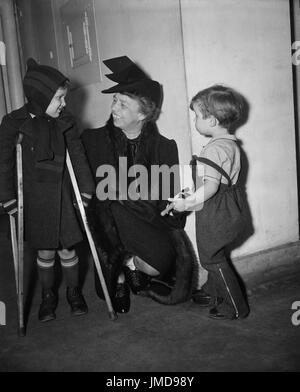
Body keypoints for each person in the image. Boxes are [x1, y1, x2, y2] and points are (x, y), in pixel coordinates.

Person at [82, 56, 197, 314]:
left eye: (123, 103)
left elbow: (169, 202)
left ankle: (131, 264)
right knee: (112, 209)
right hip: (110, 224)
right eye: (114, 100)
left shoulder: (164, 147)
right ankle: (119, 277)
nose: (114, 108)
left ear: (143, 113)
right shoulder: (92, 140)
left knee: (158, 266)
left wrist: (181, 202)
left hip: (147, 222)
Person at [0, 58, 95, 322]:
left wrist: (86, 189)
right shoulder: (12, 122)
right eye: (58, 99)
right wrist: (7, 197)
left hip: (63, 195)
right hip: (33, 197)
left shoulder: (65, 121)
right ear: (40, 98)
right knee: (45, 251)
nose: (63, 104)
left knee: (68, 249)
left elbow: (78, 156)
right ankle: (47, 296)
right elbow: (4, 163)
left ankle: (74, 291)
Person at [163, 85, 249, 320]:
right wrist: (189, 193)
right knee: (216, 253)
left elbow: (210, 187)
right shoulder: (230, 144)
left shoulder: (213, 150)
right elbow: (214, 181)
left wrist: (187, 204)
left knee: (211, 258)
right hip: (230, 209)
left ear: (211, 120)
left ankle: (235, 305)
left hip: (216, 213)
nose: (194, 121)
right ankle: (212, 292)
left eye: (197, 116)